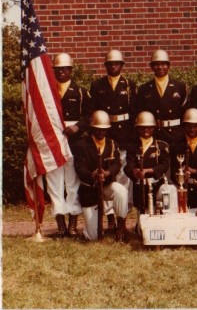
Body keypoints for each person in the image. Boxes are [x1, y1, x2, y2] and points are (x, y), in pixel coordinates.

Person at [89, 49, 137, 229]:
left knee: (123, 176)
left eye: (116, 63)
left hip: (124, 134)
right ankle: (109, 216)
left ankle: (121, 217)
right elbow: (94, 112)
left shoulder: (129, 85)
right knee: (108, 175)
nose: (113, 66)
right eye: (110, 64)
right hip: (105, 135)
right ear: (106, 66)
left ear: (122, 65)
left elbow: (134, 113)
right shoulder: (97, 85)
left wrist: (132, 136)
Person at [47, 52, 92, 237]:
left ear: (71, 70)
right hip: (53, 140)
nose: (62, 72)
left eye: (65, 69)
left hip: (74, 140)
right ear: (54, 71)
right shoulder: (47, 92)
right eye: (58, 69)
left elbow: (89, 115)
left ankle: (73, 220)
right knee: (54, 180)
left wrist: (77, 127)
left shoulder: (81, 92)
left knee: (72, 181)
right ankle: (60, 221)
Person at [73, 110, 130, 242]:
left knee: (121, 191)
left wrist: (108, 173)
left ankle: (120, 229)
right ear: (92, 127)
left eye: (104, 130)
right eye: (98, 129)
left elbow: (116, 164)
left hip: (106, 185)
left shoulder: (112, 144)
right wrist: (91, 175)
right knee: (93, 237)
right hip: (90, 189)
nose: (101, 133)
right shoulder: (82, 144)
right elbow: (79, 168)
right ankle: (89, 231)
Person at [136, 49, 188, 149]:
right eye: (156, 64)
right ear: (151, 67)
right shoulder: (144, 89)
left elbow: (185, 114)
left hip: (175, 135)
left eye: (163, 64)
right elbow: (140, 113)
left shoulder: (180, 87)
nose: (160, 67)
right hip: (154, 135)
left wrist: (182, 133)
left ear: (168, 66)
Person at [124, 111, 170, 224]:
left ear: (154, 128)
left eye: (149, 128)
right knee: (143, 222)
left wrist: (150, 171)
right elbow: (128, 165)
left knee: (157, 217)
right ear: (137, 128)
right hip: (140, 184)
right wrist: (134, 172)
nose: (146, 131)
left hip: (156, 183)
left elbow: (164, 165)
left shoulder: (161, 145)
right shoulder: (132, 146)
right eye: (142, 128)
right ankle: (139, 224)